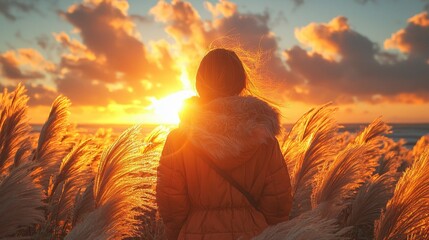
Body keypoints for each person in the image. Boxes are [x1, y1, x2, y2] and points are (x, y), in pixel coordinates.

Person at [156, 48, 292, 240]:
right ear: (241, 83)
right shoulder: (264, 139)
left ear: (199, 84)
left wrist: (177, 233)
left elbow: (171, 205)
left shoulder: (179, 140)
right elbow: (278, 204)